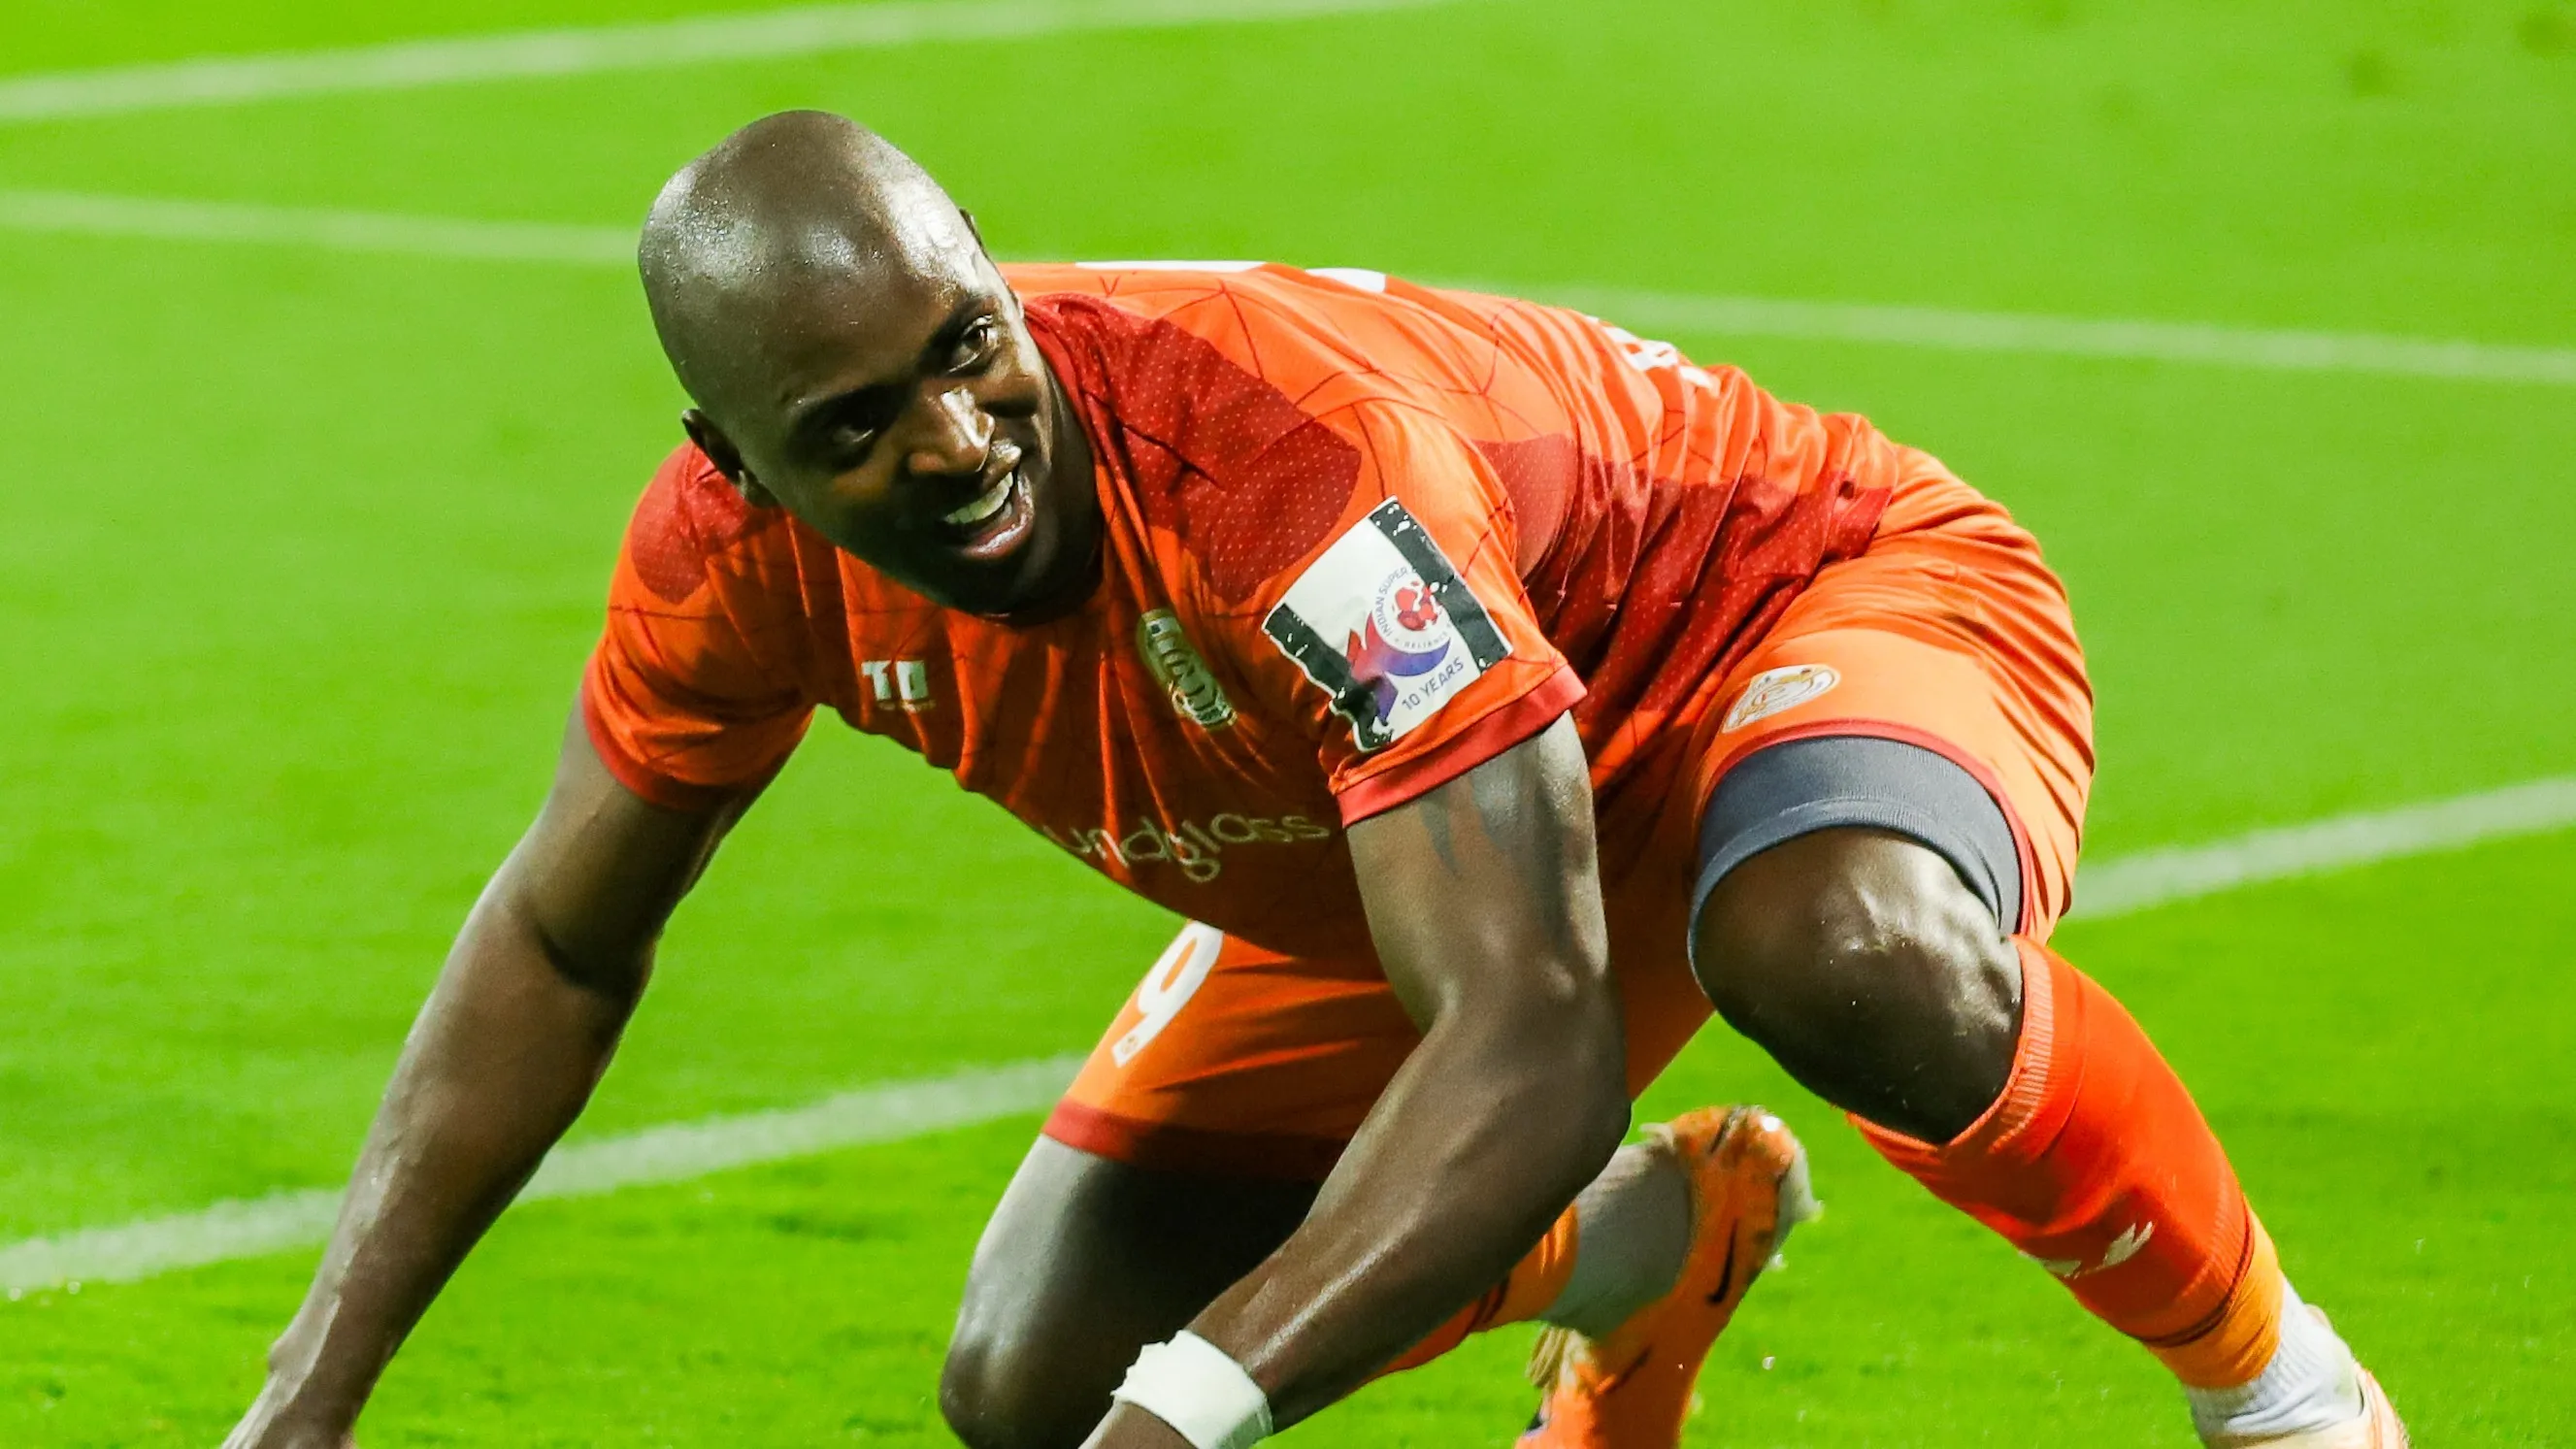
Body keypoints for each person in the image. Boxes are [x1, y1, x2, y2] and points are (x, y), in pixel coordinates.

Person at [222, 111, 2407, 1449]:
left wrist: (1200, 1413)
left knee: (1828, 944)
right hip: (1422, 809)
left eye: (967, 347)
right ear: (743, 468)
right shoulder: (727, 574)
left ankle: (2279, 1381)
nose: (959, 438)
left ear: (1000, 290)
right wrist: (307, 1395)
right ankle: (1648, 1253)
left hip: (1783, 618)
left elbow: (1533, 1035)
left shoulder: (1288, 484)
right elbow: (558, 935)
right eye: (857, 425)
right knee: (1029, 1375)